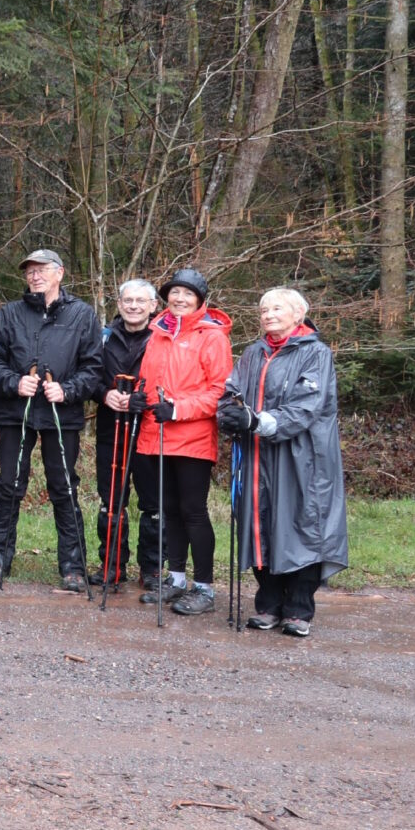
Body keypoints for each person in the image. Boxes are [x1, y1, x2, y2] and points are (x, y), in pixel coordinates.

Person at [218, 288, 348, 638]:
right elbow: (232, 391)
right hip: (258, 457)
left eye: (277, 308)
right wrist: (229, 413)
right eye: (263, 309)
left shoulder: (315, 353)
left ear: (298, 314)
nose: (268, 314)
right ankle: (268, 603)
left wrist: (258, 422)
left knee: (302, 525)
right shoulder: (253, 353)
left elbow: (307, 405)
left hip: (303, 457)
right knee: (261, 523)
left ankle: (299, 609)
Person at [0, 249, 102, 590]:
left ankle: (73, 566)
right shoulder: (9, 314)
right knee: (9, 485)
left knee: (63, 488)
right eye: (30, 271)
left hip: (63, 415)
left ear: (59, 273)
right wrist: (15, 382)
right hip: (17, 413)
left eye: (42, 270)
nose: (34, 276)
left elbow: (94, 368)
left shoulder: (82, 315)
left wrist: (69, 389)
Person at [132, 269, 232, 615]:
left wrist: (176, 409)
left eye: (188, 294)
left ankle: (203, 587)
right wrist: (138, 399)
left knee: (193, 513)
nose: (179, 299)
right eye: (174, 293)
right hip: (155, 435)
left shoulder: (212, 337)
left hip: (192, 437)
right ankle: (175, 579)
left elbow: (219, 393)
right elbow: (148, 382)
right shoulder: (157, 334)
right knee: (169, 512)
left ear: (200, 300)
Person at [91, 279, 159, 589]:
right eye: (127, 300)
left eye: (140, 301)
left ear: (153, 306)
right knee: (111, 499)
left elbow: (172, 381)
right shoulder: (102, 338)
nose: (133, 306)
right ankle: (112, 566)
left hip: (149, 430)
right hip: (111, 427)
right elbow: (87, 374)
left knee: (153, 501)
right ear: (119, 305)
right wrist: (104, 394)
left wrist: (146, 400)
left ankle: (153, 569)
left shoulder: (163, 338)